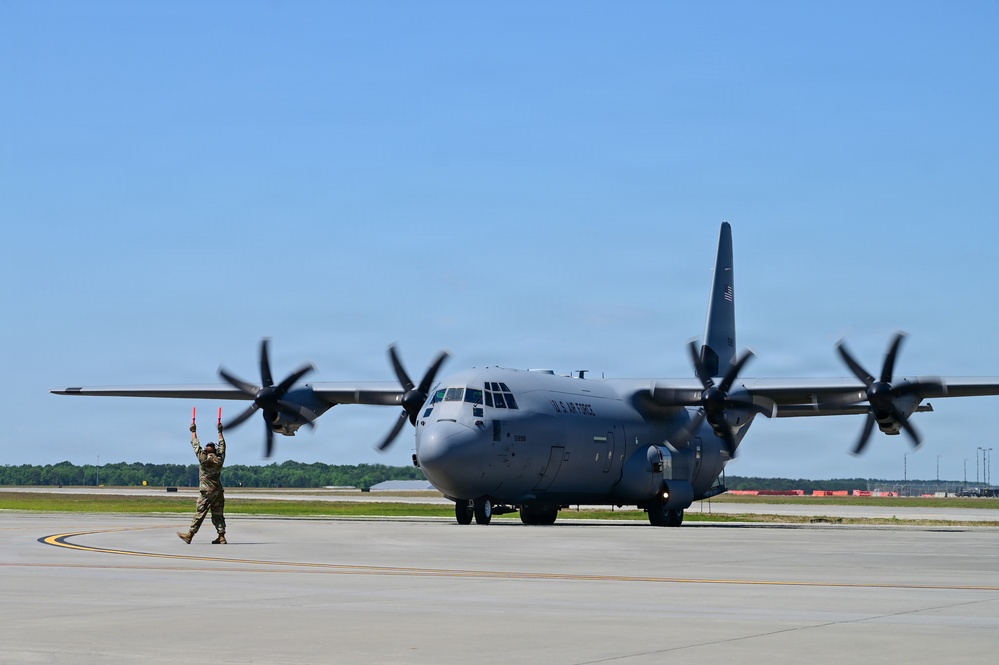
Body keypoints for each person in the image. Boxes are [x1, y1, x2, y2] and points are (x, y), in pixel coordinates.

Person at [177, 418, 227, 544]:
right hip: (218, 491)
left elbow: (195, 444)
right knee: (218, 513)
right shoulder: (219, 460)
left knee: (200, 513)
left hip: (206, 491)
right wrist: (220, 432)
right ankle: (221, 536)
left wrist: (193, 431)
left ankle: (190, 535)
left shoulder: (203, 459)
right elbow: (222, 446)